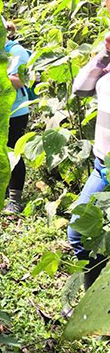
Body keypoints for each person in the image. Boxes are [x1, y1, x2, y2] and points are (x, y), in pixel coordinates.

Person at [67, 31, 110, 290]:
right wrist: (104, 54)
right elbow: (80, 89)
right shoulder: (106, 61)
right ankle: (92, 299)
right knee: (79, 232)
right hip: (101, 164)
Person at [4, 21, 30, 213]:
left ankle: (15, 199)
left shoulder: (17, 52)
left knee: (13, 151)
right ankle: (2, 193)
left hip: (15, 111)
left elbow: (21, 80)